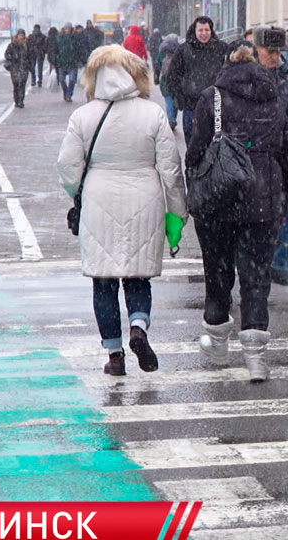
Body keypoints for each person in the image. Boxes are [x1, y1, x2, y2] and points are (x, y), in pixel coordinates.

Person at [56, 45, 187, 376]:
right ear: (135, 75)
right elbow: (171, 170)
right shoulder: (152, 112)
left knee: (104, 282)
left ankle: (114, 355)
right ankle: (139, 327)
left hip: (99, 201)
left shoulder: (83, 116)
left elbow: (67, 166)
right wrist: (177, 213)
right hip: (145, 198)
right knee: (137, 274)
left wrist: (78, 193)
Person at [186, 39, 288, 382]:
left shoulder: (213, 98)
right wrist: (284, 201)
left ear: (227, 65)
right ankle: (255, 358)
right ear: (256, 64)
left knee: (218, 273)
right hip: (263, 203)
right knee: (256, 279)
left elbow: (195, 153)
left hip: (218, 203)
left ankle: (218, 343)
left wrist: (197, 192)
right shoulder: (275, 98)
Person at [252, 26, 288, 286]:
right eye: (270, 51)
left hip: (278, 159)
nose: (275, 56)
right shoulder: (244, 76)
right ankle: (251, 267)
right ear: (256, 49)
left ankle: (278, 264)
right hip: (250, 161)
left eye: (279, 51)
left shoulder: (284, 78)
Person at [164, 16, 231, 143]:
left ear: (211, 31)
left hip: (216, 106)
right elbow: (172, 75)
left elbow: (230, 72)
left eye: (207, 30)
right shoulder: (183, 50)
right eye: (200, 30)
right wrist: (178, 97)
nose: (204, 34)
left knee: (216, 143)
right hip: (191, 106)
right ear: (194, 31)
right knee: (193, 142)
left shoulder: (221, 48)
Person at [157, 33, 181, 131]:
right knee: (174, 100)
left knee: (168, 100)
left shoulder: (162, 52)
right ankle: (173, 118)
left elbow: (158, 65)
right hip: (177, 80)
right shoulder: (179, 50)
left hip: (165, 80)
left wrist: (156, 76)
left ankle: (171, 119)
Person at [54, 24, 83, 102]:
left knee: (72, 80)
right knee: (61, 79)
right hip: (62, 63)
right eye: (66, 28)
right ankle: (66, 91)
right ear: (63, 29)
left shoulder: (75, 38)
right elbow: (55, 50)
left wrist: (80, 60)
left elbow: (79, 49)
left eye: (69, 28)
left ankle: (69, 95)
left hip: (72, 63)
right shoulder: (59, 38)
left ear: (71, 29)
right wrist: (54, 61)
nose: (67, 30)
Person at [4, 29, 30, 109]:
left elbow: (31, 55)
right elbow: (6, 54)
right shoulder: (12, 45)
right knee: (16, 84)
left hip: (24, 68)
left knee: (22, 84)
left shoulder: (27, 45)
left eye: (22, 35)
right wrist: (10, 60)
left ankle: (21, 101)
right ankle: (16, 100)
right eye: (20, 35)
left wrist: (29, 63)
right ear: (17, 36)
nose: (21, 37)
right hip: (14, 68)